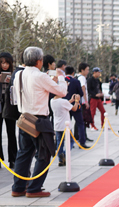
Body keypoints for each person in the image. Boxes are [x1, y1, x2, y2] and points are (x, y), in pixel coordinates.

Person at [11, 46, 67, 198]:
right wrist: (61, 78)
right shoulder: (41, 76)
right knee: (44, 154)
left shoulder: (19, 75)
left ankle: (18, 187)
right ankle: (34, 188)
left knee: (24, 154)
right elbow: (62, 92)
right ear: (39, 61)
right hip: (39, 120)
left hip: (24, 118)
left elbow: (15, 98)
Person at [0, 52, 19, 168]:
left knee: (11, 133)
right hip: (0, 106)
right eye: (2, 63)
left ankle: (13, 159)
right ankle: (1, 159)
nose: (4, 65)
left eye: (6, 62)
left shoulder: (14, 75)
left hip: (10, 107)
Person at [51, 92, 80, 166]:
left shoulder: (52, 101)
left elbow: (64, 104)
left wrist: (71, 100)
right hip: (65, 126)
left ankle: (60, 160)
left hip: (57, 125)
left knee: (59, 142)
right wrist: (77, 101)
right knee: (71, 141)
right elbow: (74, 109)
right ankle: (64, 154)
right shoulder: (63, 101)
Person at [64, 66, 86, 147]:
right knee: (80, 123)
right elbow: (81, 93)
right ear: (73, 73)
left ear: (65, 73)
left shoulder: (62, 80)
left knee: (67, 123)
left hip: (65, 104)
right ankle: (82, 142)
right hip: (75, 104)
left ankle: (69, 141)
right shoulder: (76, 81)